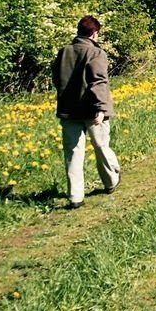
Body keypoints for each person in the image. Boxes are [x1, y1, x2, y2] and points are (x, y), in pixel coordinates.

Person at [52, 15, 121, 209]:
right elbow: (98, 81)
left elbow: (56, 79)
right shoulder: (95, 53)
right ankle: (110, 181)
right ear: (94, 33)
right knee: (101, 146)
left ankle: (75, 196)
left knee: (73, 153)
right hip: (92, 111)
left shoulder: (63, 52)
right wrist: (100, 107)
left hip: (68, 111)